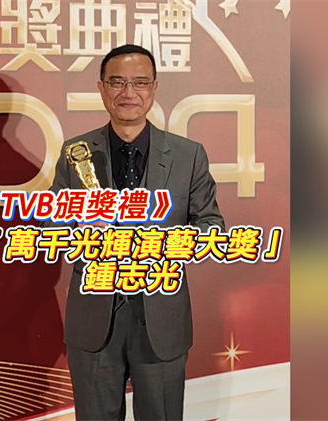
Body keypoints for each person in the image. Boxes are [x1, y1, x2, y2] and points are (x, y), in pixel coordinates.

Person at [42, 44, 224, 420]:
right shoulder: (76, 153)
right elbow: (52, 226)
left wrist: (160, 243)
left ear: (154, 87)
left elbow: (211, 228)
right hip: (94, 321)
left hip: (160, 320)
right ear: (101, 87)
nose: (129, 92)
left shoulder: (188, 155)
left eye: (140, 82)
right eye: (117, 82)